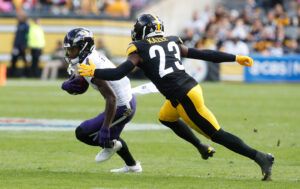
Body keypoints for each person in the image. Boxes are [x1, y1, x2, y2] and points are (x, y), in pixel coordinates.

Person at [78, 14, 275, 181]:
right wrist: (234, 57)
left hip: (184, 96)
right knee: (166, 117)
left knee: (217, 134)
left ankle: (260, 157)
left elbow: (119, 73)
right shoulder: (171, 41)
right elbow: (202, 53)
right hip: (186, 91)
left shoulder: (139, 48)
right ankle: (200, 146)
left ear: (144, 31)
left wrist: (95, 71)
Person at [61, 28, 141, 173]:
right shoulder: (89, 57)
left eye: (71, 49)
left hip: (123, 107)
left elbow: (111, 98)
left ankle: (110, 145)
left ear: (82, 47)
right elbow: (86, 83)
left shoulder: (89, 63)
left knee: (83, 132)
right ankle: (132, 166)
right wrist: (75, 83)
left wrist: (105, 128)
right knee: (111, 137)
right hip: (125, 101)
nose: (69, 53)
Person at [10, 11, 29, 77]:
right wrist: (14, 45)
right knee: (13, 61)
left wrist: (24, 45)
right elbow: (17, 37)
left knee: (24, 61)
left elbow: (26, 37)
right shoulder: (19, 25)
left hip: (22, 46)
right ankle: (13, 74)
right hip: (17, 46)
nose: (18, 17)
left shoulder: (26, 25)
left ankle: (26, 74)